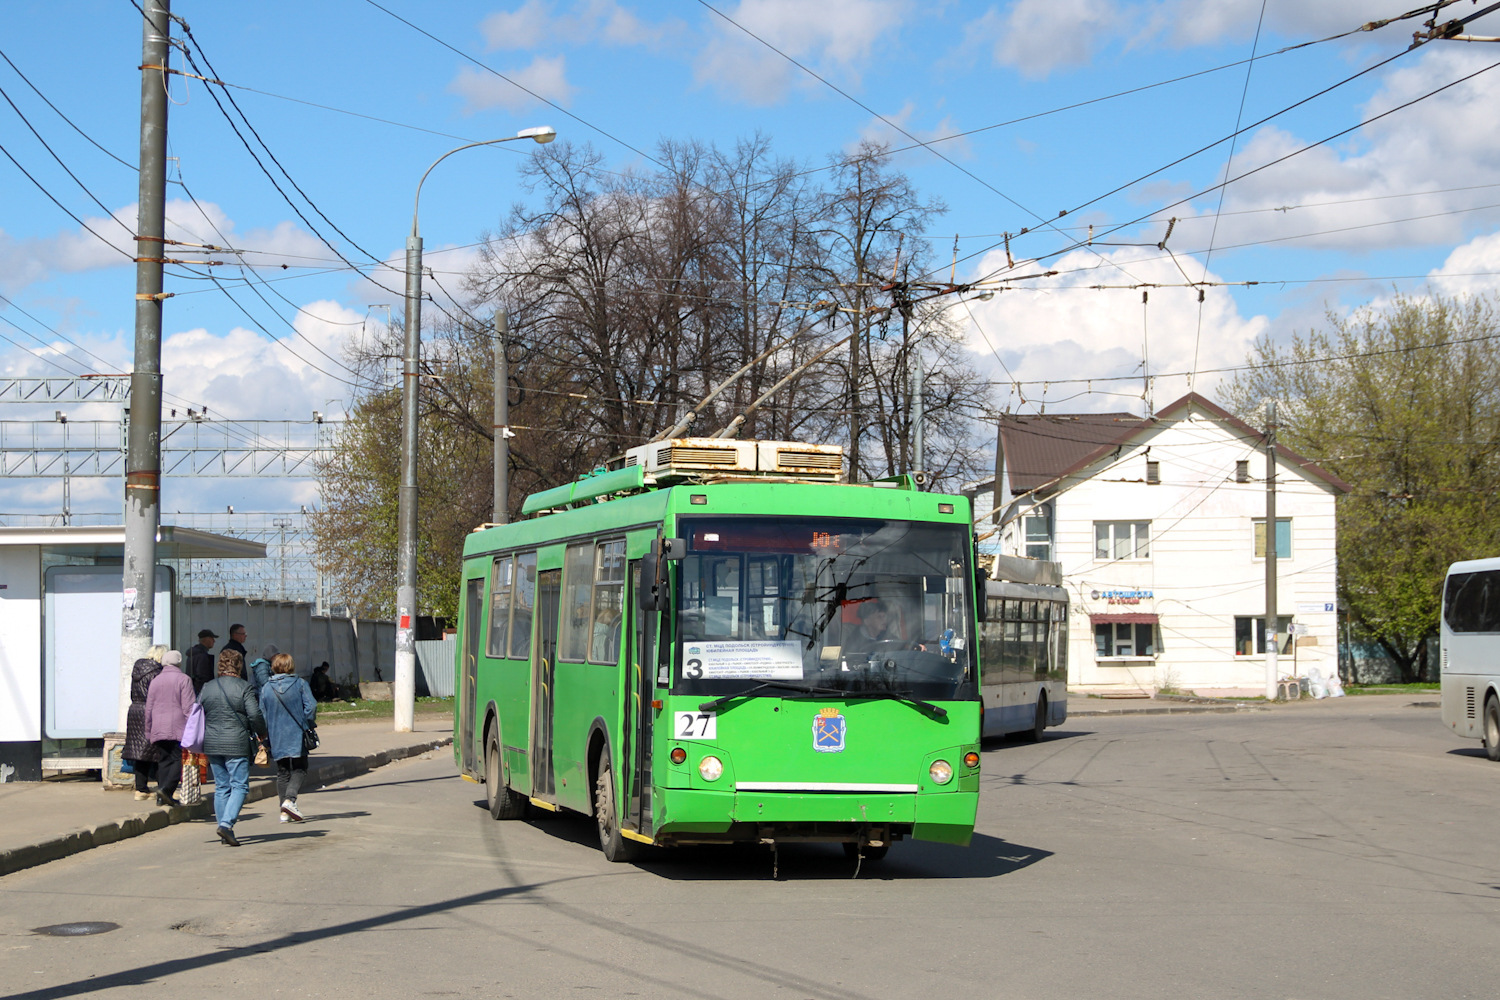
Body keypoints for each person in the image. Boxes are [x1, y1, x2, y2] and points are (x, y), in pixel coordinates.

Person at [197, 648, 266, 847]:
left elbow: (197, 710)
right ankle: (226, 825)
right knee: (240, 786)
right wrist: (261, 732)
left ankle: (223, 827)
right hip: (236, 742)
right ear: (238, 665)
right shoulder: (244, 687)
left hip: (211, 743)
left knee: (221, 786)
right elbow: (254, 715)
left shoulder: (207, 687)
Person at [260, 652, 317, 822]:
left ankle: (284, 812)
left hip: (275, 734)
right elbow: (311, 706)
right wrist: (307, 723)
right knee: (300, 768)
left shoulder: (266, 688)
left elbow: (262, 715)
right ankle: (289, 800)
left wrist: (264, 735)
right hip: (297, 733)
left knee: (282, 771)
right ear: (290, 666)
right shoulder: (300, 684)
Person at [143, 649, 195, 806]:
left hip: (158, 728)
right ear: (178, 662)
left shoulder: (156, 680)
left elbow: (149, 708)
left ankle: (162, 797)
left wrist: (148, 730)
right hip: (177, 727)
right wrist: (192, 729)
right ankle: (166, 790)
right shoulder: (183, 679)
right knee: (177, 759)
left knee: (163, 760)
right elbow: (188, 708)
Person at [122, 644, 167, 801]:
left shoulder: (138, 670)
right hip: (150, 711)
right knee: (159, 750)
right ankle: (163, 787)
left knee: (140, 751)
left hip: (135, 711)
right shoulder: (158, 672)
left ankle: (141, 789)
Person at [186, 629, 218, 695]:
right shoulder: (202, 656)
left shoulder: (193, 654)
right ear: (206, 639)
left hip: (192, 691)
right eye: (212, 638)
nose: (214, 641)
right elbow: (202, 677)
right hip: (201, 692)